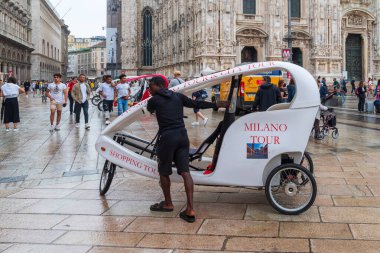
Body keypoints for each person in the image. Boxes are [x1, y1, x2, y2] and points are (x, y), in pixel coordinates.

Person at [146, 76, 228, 223]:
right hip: (182, 137)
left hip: (167, 138)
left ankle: (168, 204)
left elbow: (149, 110)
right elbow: (197, 104)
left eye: (151, 87)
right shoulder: (178, 96)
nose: (149, 89)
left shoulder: (154, 100)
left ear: (159, 86)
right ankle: (190, 209)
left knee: (164, 172)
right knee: (185, 172)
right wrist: (217, 104)